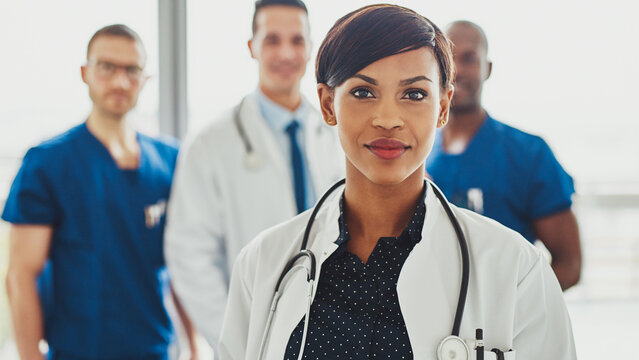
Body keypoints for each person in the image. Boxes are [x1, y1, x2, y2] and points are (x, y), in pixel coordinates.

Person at [218, 4, 577, 359]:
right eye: (363, 92)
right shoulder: (263, 264)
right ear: (328, 104)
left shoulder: (517, 270)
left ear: (442, 106)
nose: (388, 118)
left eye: (414, 94)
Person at [3, 24, 196, 360]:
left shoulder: (171, 161)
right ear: (85, 72)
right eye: (107, 67)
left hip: (155, 350)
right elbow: (21, 274)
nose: (120, 81)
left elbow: (182, 268)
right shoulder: (47, 163)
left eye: (132, 70)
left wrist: (194, 348)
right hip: (77, 351)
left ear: (144, 78)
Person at [164, 0, 344, 352]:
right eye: (272, 40)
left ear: (310, 48)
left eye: (296, 40)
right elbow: (189, 254)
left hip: (336, 329)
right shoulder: (210, 144)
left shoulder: (337, 134)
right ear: (252, 47)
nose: (286, 53)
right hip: (252, 338)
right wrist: (239, 337)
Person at [425, 20, 581, 290]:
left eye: (469, 59)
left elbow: (570, 264)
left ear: (487, 69)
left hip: (507, 328)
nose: (458, 70)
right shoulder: (413, 156)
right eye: (449, 59)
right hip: (432, 327)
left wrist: (511, 312)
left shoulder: (529, 153)